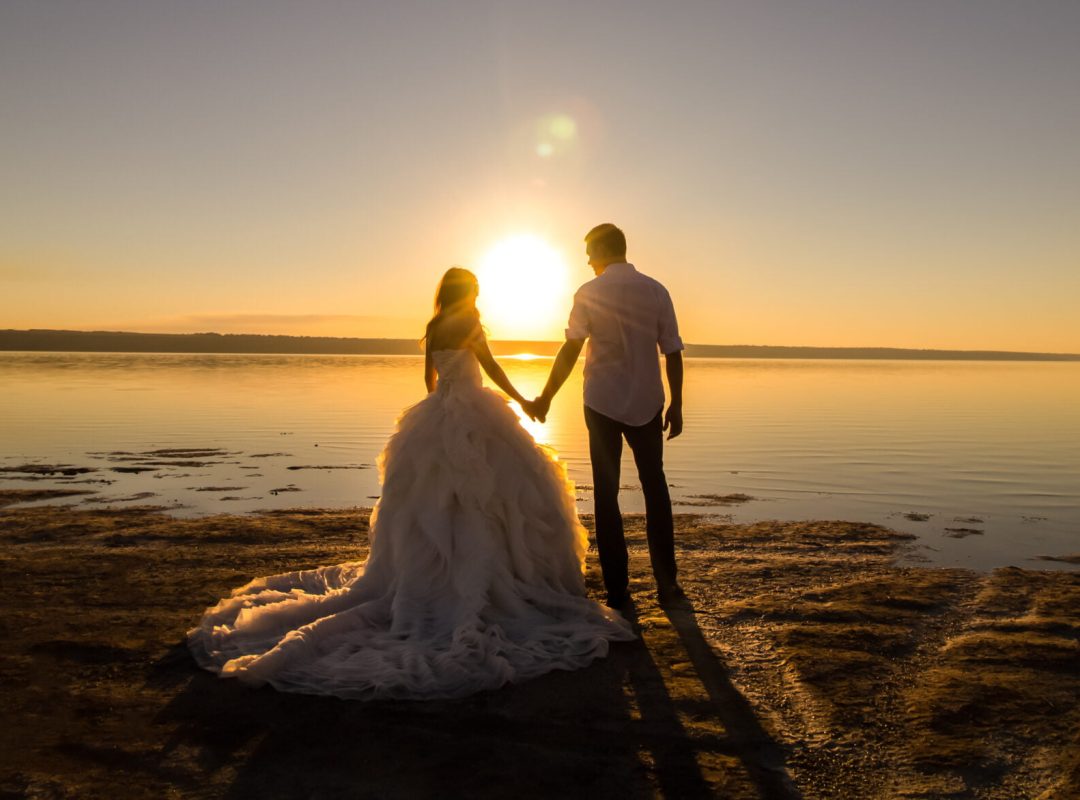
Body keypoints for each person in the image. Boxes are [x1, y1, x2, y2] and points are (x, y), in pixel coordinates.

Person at [187, 267, 634, 700]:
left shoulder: (436, 324)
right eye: (475, 290)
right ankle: (494, 577)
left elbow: (430, 379)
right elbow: (492, 369)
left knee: (433, 504)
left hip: (439, 408)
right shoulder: (471, 322)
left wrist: (439, 411)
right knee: (491, 499)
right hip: (472, 410)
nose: (478, 298)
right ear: (467, 293)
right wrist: (523, 401)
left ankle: (432, 573)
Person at [533, 224, 685, 609]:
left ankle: (619, 591)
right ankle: (668, 584)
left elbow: (570, 350)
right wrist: (677, 404)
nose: (586, 260)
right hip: (647, 403)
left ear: (602, 250)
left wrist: (547, 396)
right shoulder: (655, 289)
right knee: (656, 488)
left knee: (606, 492)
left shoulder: (589, 292)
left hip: (601, 403)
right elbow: (672, 351)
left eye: (589, 252)